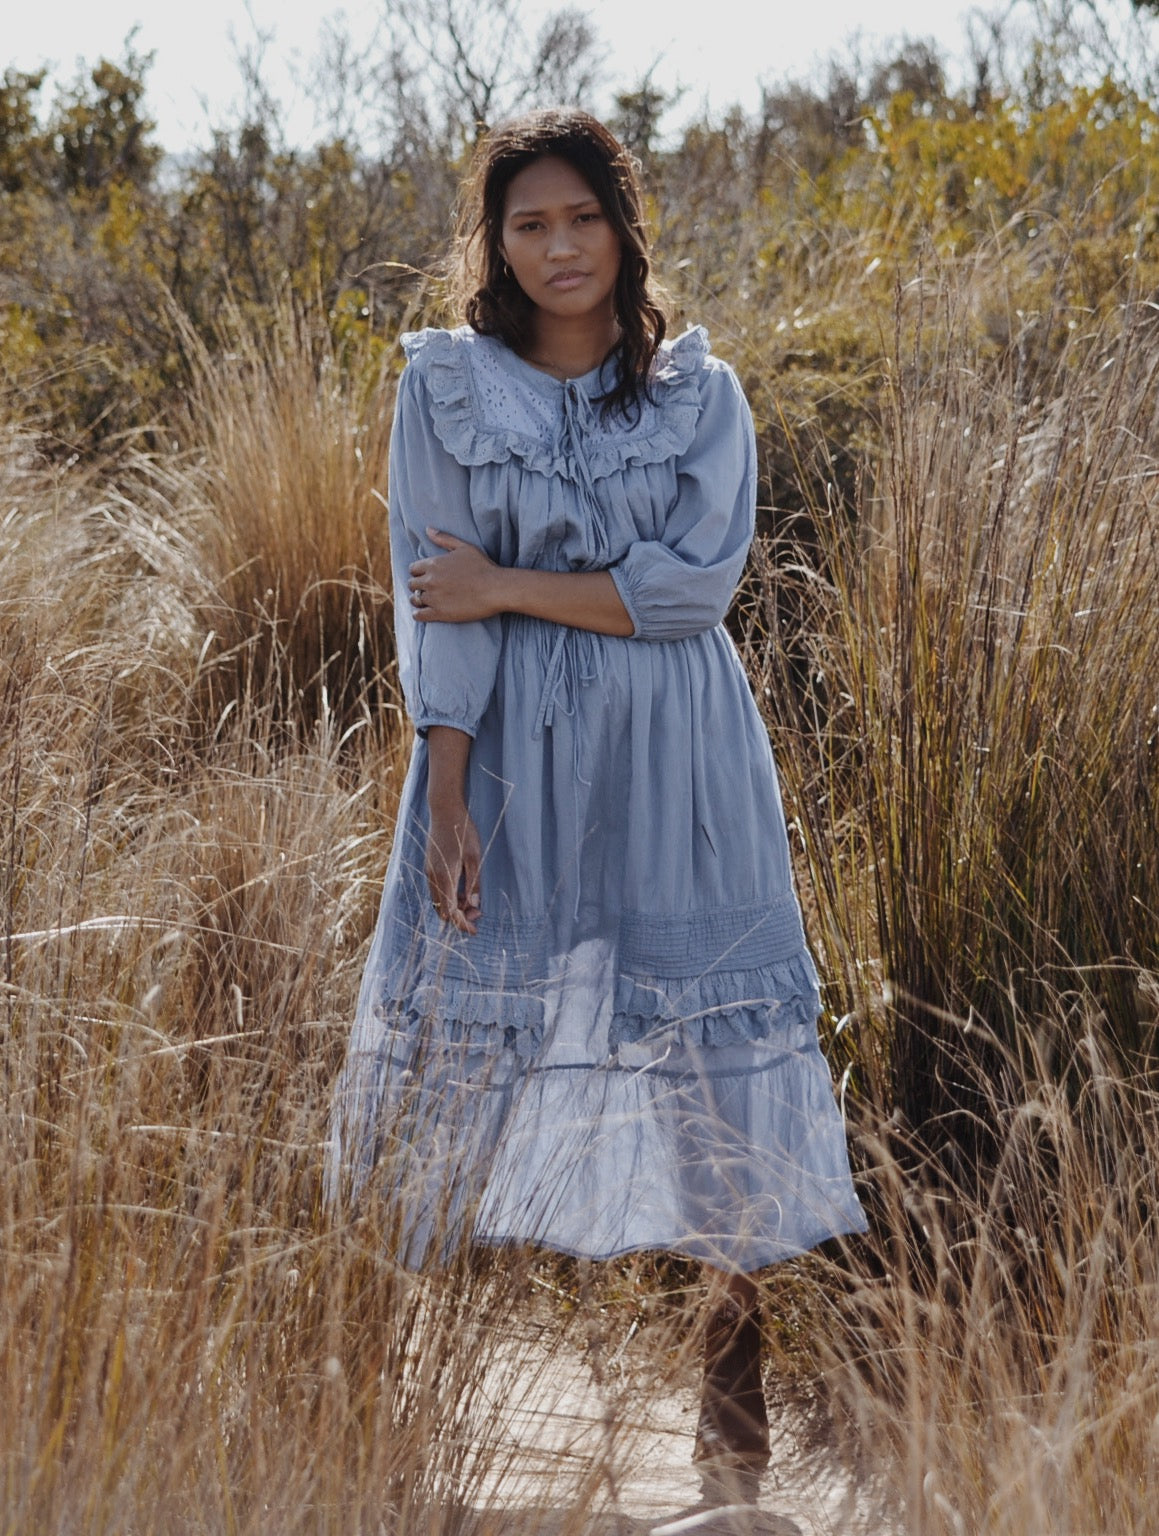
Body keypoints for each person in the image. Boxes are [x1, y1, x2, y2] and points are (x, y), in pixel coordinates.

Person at [326, 107, 867, 1467]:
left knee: (710, 1051)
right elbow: (429, 607)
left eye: (583, 218)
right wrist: (445, 792)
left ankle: (729, 1401)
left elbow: (689, 593)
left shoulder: (704, 395)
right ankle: (393, 1399)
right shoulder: (445, 385)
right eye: (530, 223)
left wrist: (511, 582)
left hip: (682, 754)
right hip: (505, 753)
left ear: (626, 228)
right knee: (462, 1041)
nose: (561, 246)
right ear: (497, 245)